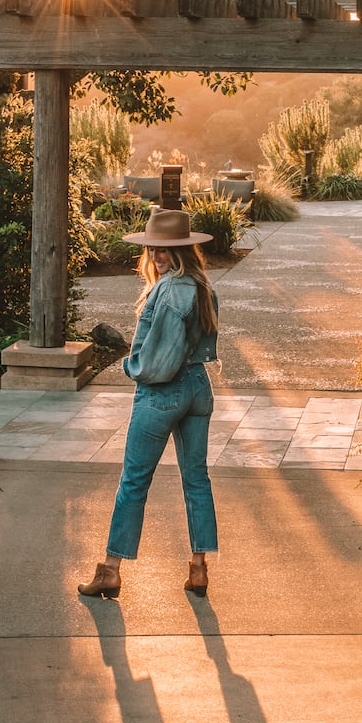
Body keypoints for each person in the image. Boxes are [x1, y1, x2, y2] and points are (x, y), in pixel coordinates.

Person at [78, 207, 219, 600]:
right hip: (197, 387)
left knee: (134, 481)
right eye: (154, 249)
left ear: (182, 251)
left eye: (164, 250)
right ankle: (198, 567)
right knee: (197, 479)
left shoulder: (170, 290)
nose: (157, 256)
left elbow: (156, 365)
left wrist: (131, 366)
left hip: (164, 392)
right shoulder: (201, 284)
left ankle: (110, 570)